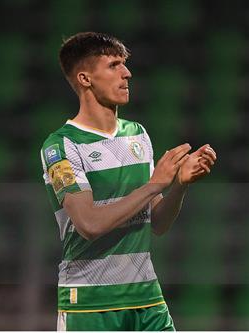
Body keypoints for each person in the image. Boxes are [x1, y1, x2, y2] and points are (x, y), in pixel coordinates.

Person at [40, 32, 216, 331]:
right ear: (85, 78)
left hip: (146, 297)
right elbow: (89, 225)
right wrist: (153, 186)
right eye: (114, 65)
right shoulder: (61, 147)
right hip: (91, 303)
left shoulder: (137, 134)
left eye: (125, 64)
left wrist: (180, 185)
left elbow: (157, 223)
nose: (127, 73)